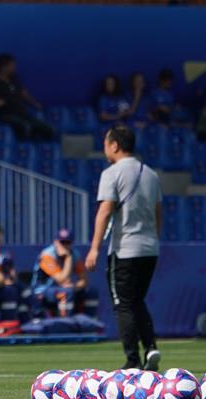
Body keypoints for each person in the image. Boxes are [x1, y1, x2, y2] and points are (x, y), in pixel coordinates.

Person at [85, 125, 162, 371]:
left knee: (123, 304)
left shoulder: (112, 173)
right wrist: (153, 240)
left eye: (106, 143)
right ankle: (151, 347)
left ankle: (132, 359)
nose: (104, 148)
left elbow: (105, 211)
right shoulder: (150, 173)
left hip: (125, 249)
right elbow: (158, 213)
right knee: (137, 300)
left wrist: (94, 248)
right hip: (149, 249)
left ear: (115, 145)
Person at [0, 54, 54, 141]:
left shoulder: (14, 79)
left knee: (48, 129)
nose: (14, 68)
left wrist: (35, 104)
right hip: (7, 115)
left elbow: (23, 93)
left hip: (23, 114)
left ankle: (40, 150)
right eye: (12, 65)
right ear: (3, 67)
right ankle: (25, 148)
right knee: (25, 127)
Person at [31, 228, 98, 317]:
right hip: (42, 289)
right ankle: (65, 323)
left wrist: (74, 286)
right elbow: (62, 279)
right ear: (55, 242)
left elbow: (84, 280)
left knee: (92, 292)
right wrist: (68, 257)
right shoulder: (47, 255)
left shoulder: (75, 254)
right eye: (62, 242)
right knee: (66, 293)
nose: (65, 245)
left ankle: (89, 323)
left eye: (68, 242)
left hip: (63, 288)